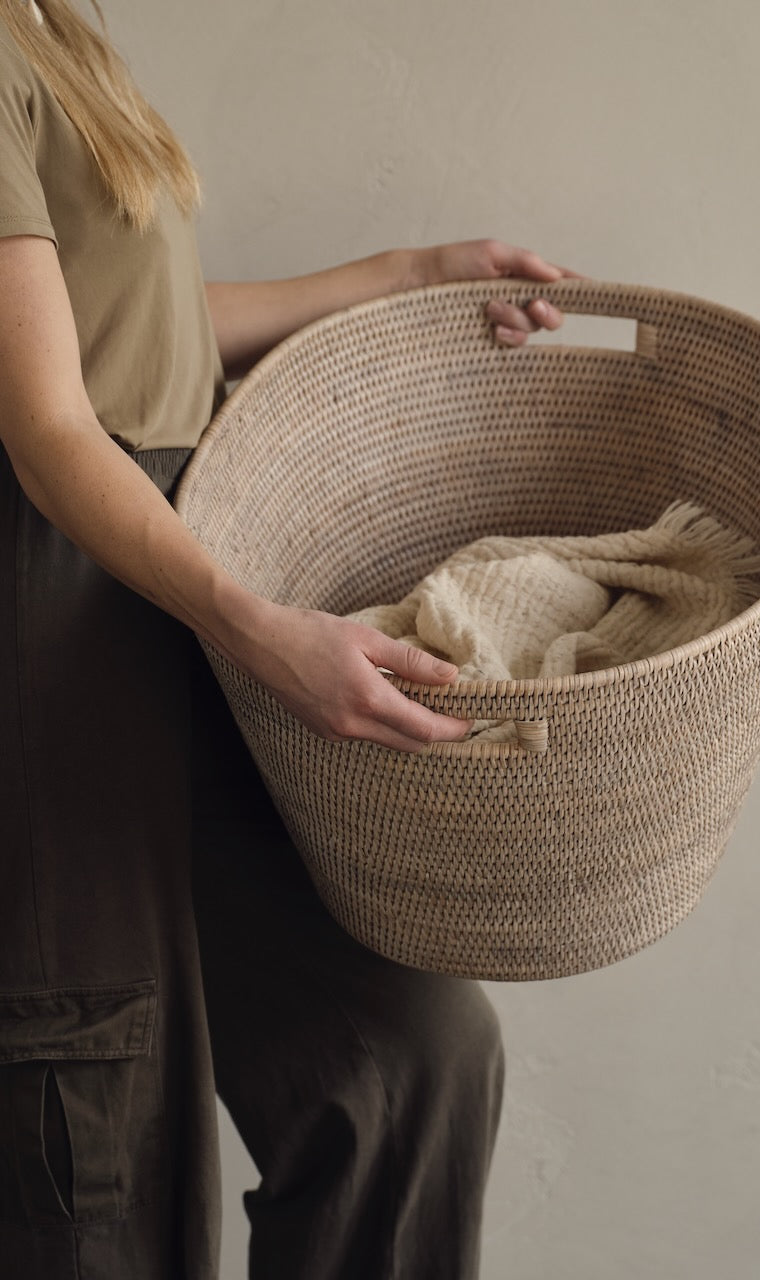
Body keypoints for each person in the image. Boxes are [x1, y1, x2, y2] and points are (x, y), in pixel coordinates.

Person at [0, 1, 574, 1276]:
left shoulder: (56, 30)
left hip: (156, 573)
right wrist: (253, 625)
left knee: (406, 1059)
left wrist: (410, 273)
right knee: (86, 1108)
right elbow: (46, 426)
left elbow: (129, 319)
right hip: (52, 599)